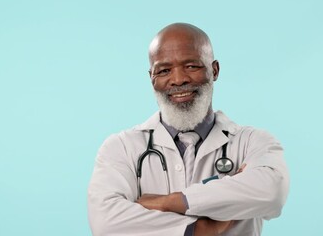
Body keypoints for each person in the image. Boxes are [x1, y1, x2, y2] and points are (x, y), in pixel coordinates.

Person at [87, 23, 289, 236]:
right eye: (164, 70)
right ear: (151, 78)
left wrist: (173, 201)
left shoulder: (253, 142)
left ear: (214, 70)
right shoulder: (121, 147)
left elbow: (272, 193)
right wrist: (199, 230)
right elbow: (105, 222)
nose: (178, 79)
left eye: (191, 66)